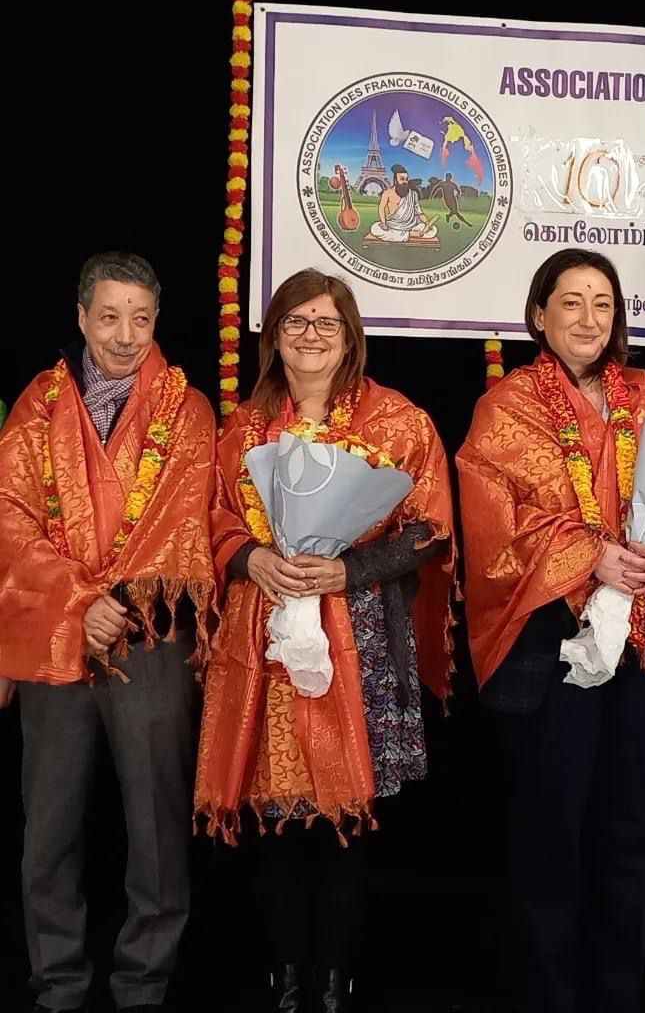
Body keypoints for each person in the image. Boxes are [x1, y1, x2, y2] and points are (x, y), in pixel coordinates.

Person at [456, 248, 645, 1013]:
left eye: (602, 304)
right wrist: (590, 555)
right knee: (550, 847)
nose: (587, 319)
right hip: (552, 654)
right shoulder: (506, 406)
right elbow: (494, 527)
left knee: (631, 844)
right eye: (570, 303)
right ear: (539, 315)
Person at [194, 268, 456, 1012]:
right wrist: (251, 558)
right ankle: (287, 982)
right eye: (296, 322)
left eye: (326, 323)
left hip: (361, 637)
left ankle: (336, 983)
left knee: (344, 819)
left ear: (350, 338)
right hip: (265, 638)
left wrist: (348, 569)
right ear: (274, 336)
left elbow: (431, 528)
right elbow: (210, 520)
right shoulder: (242, 429)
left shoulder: (397, 421)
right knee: (278, 818)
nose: (311, 336)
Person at [0, 251, 218, 1013]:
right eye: (110, 317)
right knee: (49, 826)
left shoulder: (187, 410)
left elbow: (183, 521)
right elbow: (10, 519)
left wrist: (113, 603)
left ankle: (143, 984)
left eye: (141, 319)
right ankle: (57, 983)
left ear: (157, 322)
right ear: (82, 317)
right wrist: (76, 602)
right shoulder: (37, 405)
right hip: (55, 636)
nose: (126, 335)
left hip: (147, 637)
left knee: (156, 827)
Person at [369, 164, 438, 242]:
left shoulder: (413, 194)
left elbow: (419, 213)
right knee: (375, 228)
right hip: (392, 226)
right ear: (395, 180)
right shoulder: (387, 193)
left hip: (410, 226)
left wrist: (427, 223)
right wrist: (383, 223)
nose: (405, 182)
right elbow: (381, 208)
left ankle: (405, 234)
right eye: (402, 179)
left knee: (432, 229)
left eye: (406, 179)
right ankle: (409, 234)